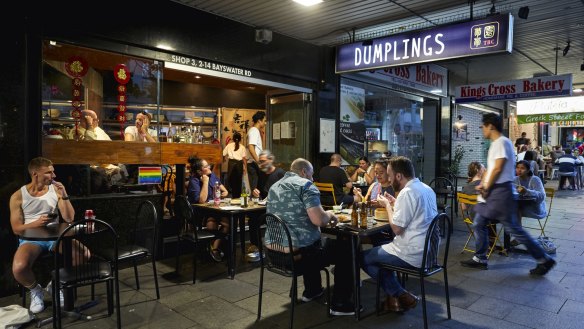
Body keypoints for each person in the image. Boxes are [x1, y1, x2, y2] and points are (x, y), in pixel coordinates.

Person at [460, 113, 556, 275]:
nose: (482, 130)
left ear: (490, 126)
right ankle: (480, 258)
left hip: (500, 193)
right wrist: (484, 183)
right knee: (480, 223)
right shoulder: (497, 143)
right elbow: (494, 169)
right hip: (496, 193)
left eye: (483, 126)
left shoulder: (501, 143)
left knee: (513, 229)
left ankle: (544, 259)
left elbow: (498, 168)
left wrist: (486, 186)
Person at [266, 158, 356, 316]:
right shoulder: (306, 185)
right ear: (303, 172)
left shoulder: (275, 186)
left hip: (274, 256)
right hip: (297, 259)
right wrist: (329, 214)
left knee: (312, 240)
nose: (313, 179)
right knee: (346, 248)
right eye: (311, 175)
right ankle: (341, 304)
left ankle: (312, 290)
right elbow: (319, 220)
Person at [361, 156, 437, 312]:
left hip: (412, 253)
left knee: (363, 258)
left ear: (398, 176)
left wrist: (388, 205)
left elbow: (396, 229)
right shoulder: (425, 188)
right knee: (382, 255)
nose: (388, 178)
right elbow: (415, 215)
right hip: (430, 251)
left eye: (389, 175)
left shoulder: (407, 192)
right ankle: (394, 300)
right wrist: (395, 203)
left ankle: (400, 294)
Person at [10, 157, 79, 313]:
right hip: (31, 239)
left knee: (83, 255)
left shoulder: (55, 190)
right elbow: (16, 229)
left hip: (56, 237)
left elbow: (69, 218)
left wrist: (65, 194)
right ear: (35, 174)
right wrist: (37, 223)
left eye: (53, 171)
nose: (54, 176)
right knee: (19, 268)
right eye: (49, 172)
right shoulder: (18, 196)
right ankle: (36, 290)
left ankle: (56, 285)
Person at [187, 156, 229, 262]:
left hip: (212, 210)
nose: (209, 167)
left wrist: (219, 196)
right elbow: (201, 200)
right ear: (199, 171)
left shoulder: (212, 176)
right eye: (206, 166)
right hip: (199, 213)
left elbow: (225, 191)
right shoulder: (194, 182)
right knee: (212, 224)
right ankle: (208, 249)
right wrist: (205, 182)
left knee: (227, 223)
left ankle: (214, 249)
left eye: (208, 165)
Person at [247, 150, 285, 262]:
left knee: (269, 220)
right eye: (260, 162)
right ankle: (257, 248)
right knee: (252, 219)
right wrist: (255, 191)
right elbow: (258, 191)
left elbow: (286, 193)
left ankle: (276, 249)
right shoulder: (261, 174)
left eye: (263, 161)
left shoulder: (280, 173)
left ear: (271, 160)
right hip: (264, 207)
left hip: (277, 209)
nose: (261, 164)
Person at [513, 160, 546, 246]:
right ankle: (517, 236)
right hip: (521, 206)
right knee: (510, 210)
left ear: (528, 170)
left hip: (535, 208)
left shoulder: (535, 179)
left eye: (522, 168)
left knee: (514, 211)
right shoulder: (515, 179)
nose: (519, 170)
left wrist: (527, 191)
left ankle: (519, 237)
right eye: (517, 168)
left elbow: (542, 196)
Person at [222, 132, 247, 197]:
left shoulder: (229, 145)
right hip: (239, 164)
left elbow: (223, 154)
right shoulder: (242, 147)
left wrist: (224, 159)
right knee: (238, 181)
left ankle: (231, 195)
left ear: (233, 139)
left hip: (231, 164)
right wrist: (245, 168)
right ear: (240, 139)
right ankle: (237, 197)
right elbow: (244, 159)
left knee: (230, 180)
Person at [247, 111, 267, 191]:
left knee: (258, 188)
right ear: (259, 121)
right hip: (254, 164)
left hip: (254, 163)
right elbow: (251, 148)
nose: (265, 123)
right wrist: (258, 162)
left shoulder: (255, 130)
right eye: (264, 120)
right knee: (256, 189)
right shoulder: (254, 130)